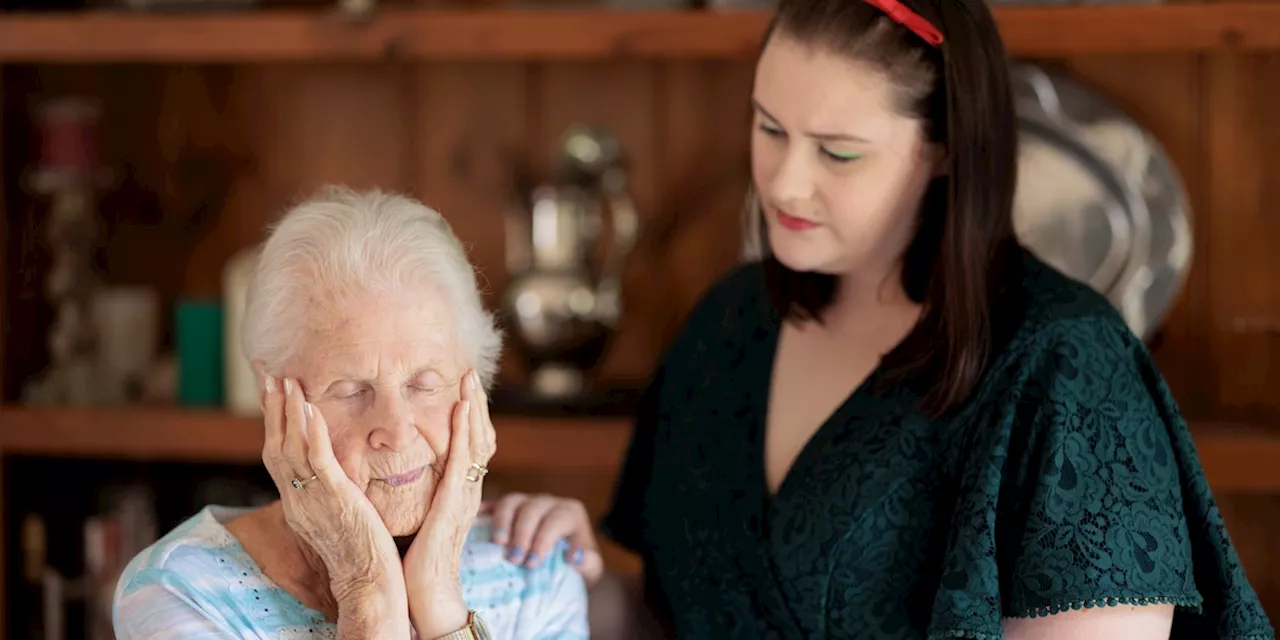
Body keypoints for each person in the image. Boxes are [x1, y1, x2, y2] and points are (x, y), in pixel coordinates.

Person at [483, 0, 1276, 638]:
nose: (786, 184)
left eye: (838, 152)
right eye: (770, 129)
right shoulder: (728, 326)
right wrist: (556, 576)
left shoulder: (1069, 366)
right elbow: (669, 617)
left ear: (946, 150)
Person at [113, 187, 590, 639]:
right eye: (351, 390)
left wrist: (441, 596)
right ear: (273, 398)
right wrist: (369, 597)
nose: (398, 432)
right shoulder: (180, 592)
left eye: (423, 384)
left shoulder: (534, 573)